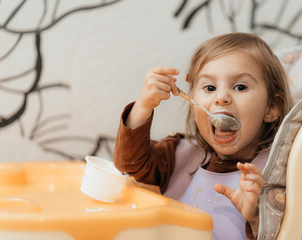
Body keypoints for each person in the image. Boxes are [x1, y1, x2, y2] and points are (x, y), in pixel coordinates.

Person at [114, 32, 292, 240]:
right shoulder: (179, 155)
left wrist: (257, 218)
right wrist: (143, 106)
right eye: (209, 87)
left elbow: (292, 232)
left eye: (240, 87)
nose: (221, 98)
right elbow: (129, 164)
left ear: (271, 107)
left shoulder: (276, 176)